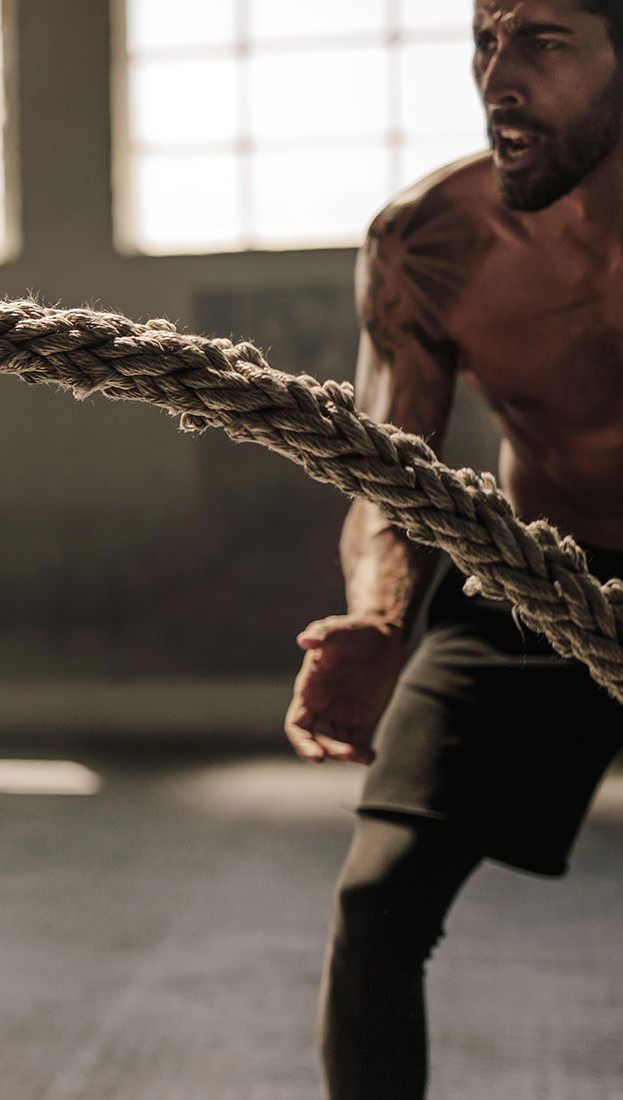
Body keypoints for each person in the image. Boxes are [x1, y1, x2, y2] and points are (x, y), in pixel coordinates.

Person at [282, 1, 623, 1096]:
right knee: (378, 901)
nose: (497, 77)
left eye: (544, 42)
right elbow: (394, 465)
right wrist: (382, 618)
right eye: (485, 38)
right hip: (536, 579)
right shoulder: (430, 240)